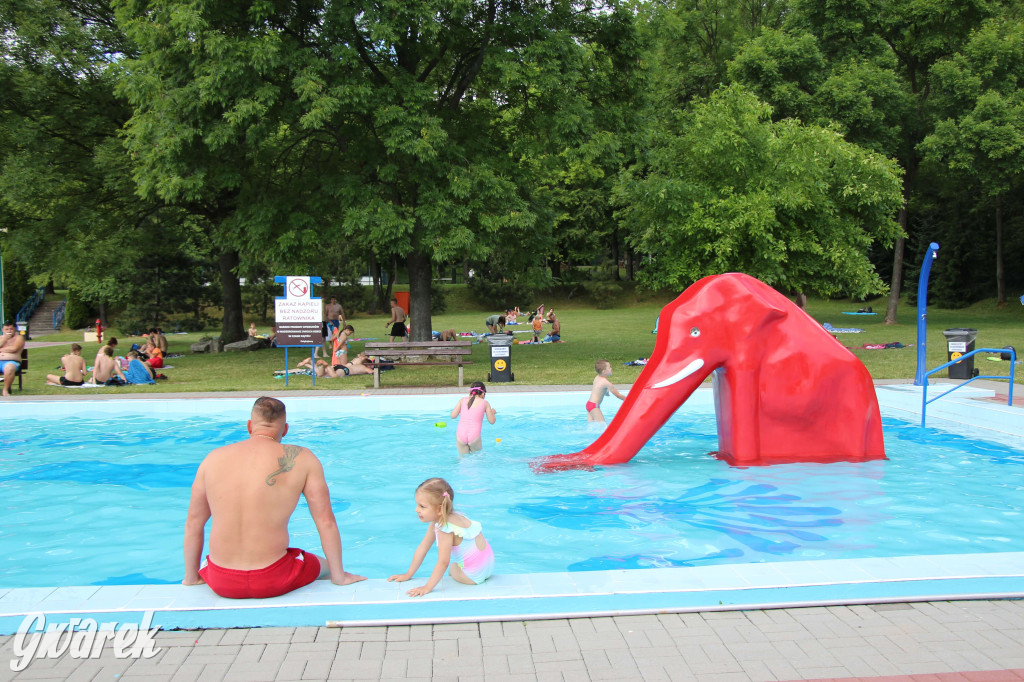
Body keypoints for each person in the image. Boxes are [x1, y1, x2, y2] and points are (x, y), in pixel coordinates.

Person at [182, 397, 366, 598]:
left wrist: (191, 578)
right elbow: (326, 521)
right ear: (285, 429)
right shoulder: (303, 458)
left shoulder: (213, 458)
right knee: (325, 565)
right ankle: (337, 574)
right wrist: (339, 576)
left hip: (221, 580)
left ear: (249, 426)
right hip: (273, 578)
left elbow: (193, 523)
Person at [388, 477, 494, 597]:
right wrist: (408, 574)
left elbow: (443, 562)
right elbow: (423, 548)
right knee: (458, 564)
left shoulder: (444, 528)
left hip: (473, 576)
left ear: (439, 509)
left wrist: (427, 587)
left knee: (452, 567)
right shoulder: (457, 516)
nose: (416, 510)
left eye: (422, 506)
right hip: (488, 569)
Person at [450, 381, 496, 454]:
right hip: (474, 436)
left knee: (463, 460)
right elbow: (492, 421)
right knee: (478, 460)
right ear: (483, 393)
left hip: (460, 435)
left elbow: (453, 416)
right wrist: (492, 412)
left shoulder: (462, 400)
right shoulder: (485, 403)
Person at [0, 321, 26, 397]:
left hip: (12, 362)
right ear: (2, 330)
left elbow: (14, 349)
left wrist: (1, 349)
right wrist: (4, 340)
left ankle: (5, 390)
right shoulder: (0, 338)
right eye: (6, 329)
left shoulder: (19, 338)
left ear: (14, 329)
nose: (9, 331)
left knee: (9, 368)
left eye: (11, 329)